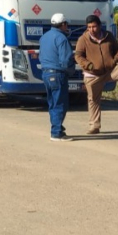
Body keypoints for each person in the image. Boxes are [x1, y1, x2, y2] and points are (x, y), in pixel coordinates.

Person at [74, 14, 118, 135]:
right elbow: (78, 56)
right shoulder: (83, 39)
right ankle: (94, 126)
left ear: (99, 26)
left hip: (110, 70)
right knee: (93, 100)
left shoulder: (108, 36)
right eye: (89, 27)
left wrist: (115, 59)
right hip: (93, 74)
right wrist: (89, 65)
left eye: (94, 26)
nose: (92, 29)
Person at [39, 13, 75, 142]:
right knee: (60, 103)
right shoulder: (62, 38)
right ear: (63, 24)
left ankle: (57, 127)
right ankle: (56, 132)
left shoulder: (44, 37)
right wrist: (71, 70)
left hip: (46, 73)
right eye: (67, 24)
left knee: (53, 103)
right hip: (58, 74)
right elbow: (65, 60)